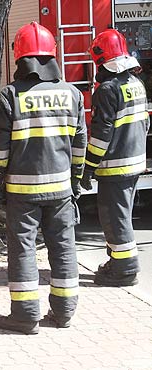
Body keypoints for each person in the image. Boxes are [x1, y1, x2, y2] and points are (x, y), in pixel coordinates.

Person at [0, 22, 87, 335]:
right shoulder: (72, 94)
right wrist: (76, 181)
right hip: (61, 192)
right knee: (64, 249)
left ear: (20, 57)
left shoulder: (9, 96)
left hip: (22, 192)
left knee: (23, 251)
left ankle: (25, 315)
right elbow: (79, 145)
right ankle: (65, 312)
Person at [81, 29, 149, 287]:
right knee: (123, 215)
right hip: (134, 162)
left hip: (115, 167)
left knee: (114, 217)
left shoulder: (107, 90)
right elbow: (144, 124)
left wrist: (88, 167)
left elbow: (100, 136)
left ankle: (125, 269)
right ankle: (117, 261)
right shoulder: (136, 84)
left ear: (102, 60)